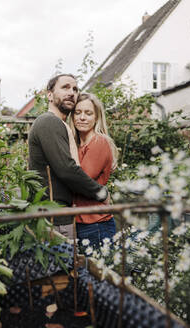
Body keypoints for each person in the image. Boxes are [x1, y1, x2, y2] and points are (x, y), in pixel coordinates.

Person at [28, 74, 110, 238]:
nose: (72, 92)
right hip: (53, 218)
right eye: (65, 87)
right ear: (49, 95)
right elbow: (67, 170)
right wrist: (101, 193)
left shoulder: (62, 126)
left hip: (58, 215)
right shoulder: (49, 122)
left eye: (75, 89)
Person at [70, 92, 119, 248]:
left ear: (96, 117)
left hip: (96, 225)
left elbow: (80, 180)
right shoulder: (77, 145)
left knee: (98, 272)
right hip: (80, 223)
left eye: (88, 113)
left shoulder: (99, 141)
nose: (82, 117)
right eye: (77, 113)